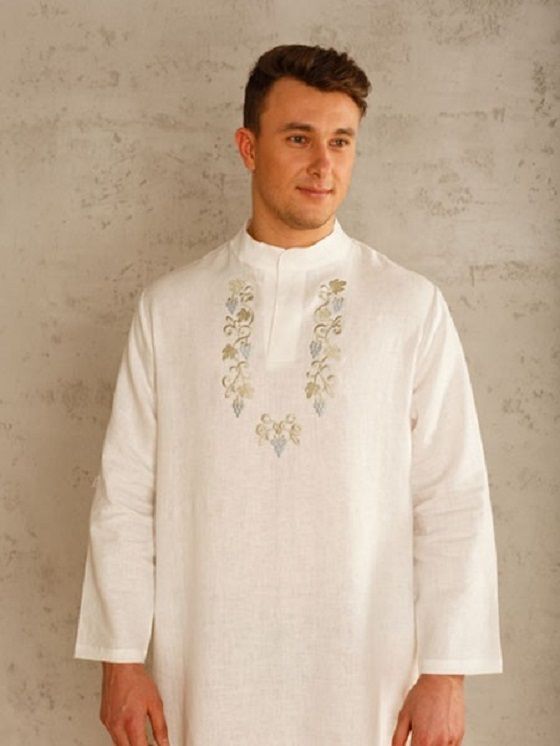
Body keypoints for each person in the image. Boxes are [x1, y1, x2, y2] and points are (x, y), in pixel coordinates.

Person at [73, 43, 503, 746]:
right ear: (248, 147)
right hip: (204, 673)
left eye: (341, 141)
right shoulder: (170, 309)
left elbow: (452, 497)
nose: (323, 164)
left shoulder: (408, 307)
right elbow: (125, 495)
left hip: (367, 678)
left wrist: (446, 675)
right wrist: (119, 660)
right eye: (299, 138)